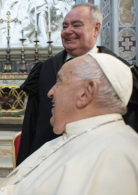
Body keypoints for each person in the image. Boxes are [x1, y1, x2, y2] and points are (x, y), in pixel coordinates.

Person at [0, 53, 138, 195]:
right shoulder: (70, 139)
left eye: (60, 82)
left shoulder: (119, 157)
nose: (50, 91)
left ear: (86, 92)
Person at [16, 3, 138, 165]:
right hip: (49, 162)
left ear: (96, 29)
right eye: (65, 26)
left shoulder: (120, 70)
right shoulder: (45, 70)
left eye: (76, 25)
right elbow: (32, 123)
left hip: (101, 162)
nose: (68, 31)